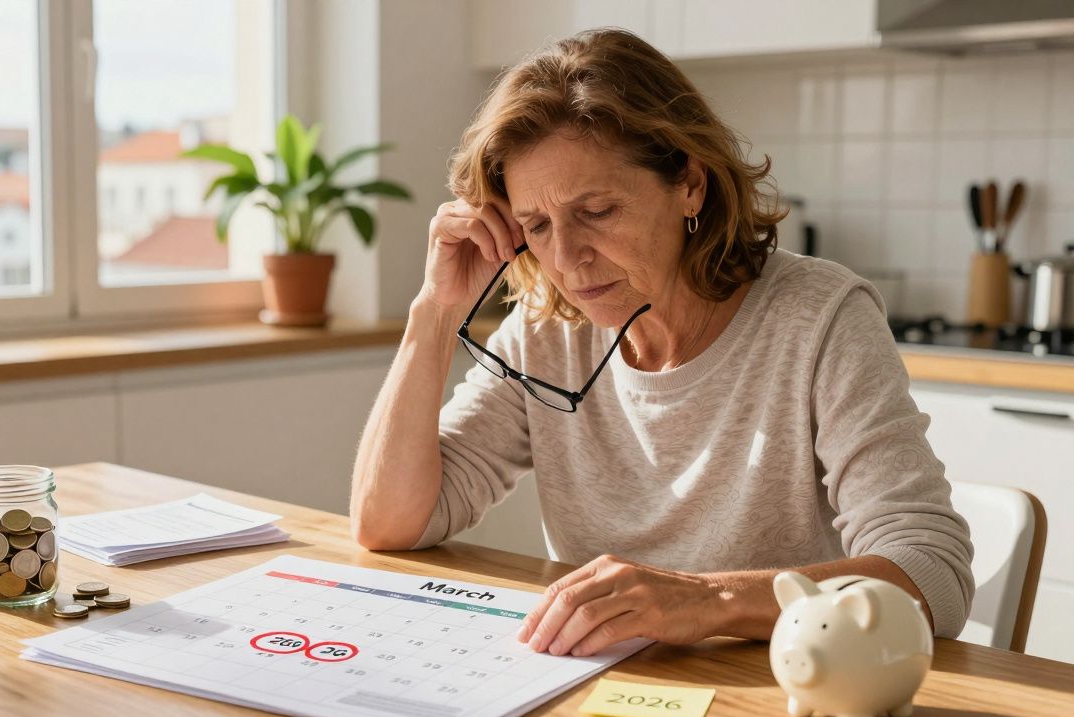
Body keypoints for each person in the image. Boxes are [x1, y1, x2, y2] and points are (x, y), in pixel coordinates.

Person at [349, 28, 973, 658]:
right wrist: (433, 313)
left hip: (780, 689)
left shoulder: (819, 317)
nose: (566, 259)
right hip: (606, 687)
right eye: (537, 225)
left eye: (597, 211)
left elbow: (932, 576)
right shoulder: (545, 332)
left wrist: (706, 599)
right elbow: (389, 525)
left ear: (690, 185)